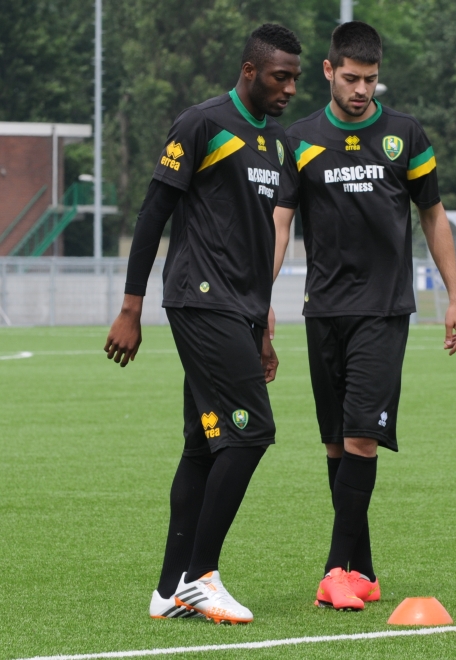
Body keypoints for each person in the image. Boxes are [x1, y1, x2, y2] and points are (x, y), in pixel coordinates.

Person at [103, 24, 302, 624]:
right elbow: (152, 214)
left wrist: (263, 326)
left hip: (242, 310)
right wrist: (131, 307)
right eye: (280, 77)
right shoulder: (203, 124)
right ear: (249, 71)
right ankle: (201, 575)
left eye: (295, 77)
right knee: (251, 432)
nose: (290, 87)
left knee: (204, 444)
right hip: (200, 299)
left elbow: (260, 236)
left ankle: (169, 588)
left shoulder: (276, 143)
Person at [273, 21, 456, 611]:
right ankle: (366, 570)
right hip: (321, 309)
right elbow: (280, 221)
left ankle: (336, 569)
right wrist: (261, 299)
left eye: (371, 81)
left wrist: (455, 297)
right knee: (335, 445)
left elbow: (433, 216)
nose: (362, 90)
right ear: (330, 72)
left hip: (383, 311)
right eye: (352, 78)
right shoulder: (299, 138)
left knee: (361, 438)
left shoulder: (404, 135)